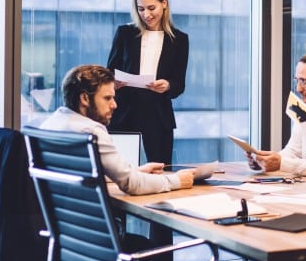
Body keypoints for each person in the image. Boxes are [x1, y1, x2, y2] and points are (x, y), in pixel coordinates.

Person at [40, 64, 195, 195]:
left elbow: (85, 174)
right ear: (85, 99)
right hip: (96, 229)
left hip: (66, 226)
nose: (114, 105)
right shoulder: (90, 131)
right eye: (107, 98)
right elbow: (132, 184)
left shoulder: (51, 124)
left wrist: (136, 171)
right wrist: (177, 180)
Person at [107, 0, 188, 165]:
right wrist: (113, 82)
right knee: (119, 170)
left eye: (151, 8)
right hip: (124, 113)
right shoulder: (125, 34)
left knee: (161, 172)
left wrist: (167, 85)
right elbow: (110, 71)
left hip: (158, 116)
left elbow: (179, 84)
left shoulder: (179, 40)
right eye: (141, 9)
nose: (146, 14)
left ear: (164, 3)